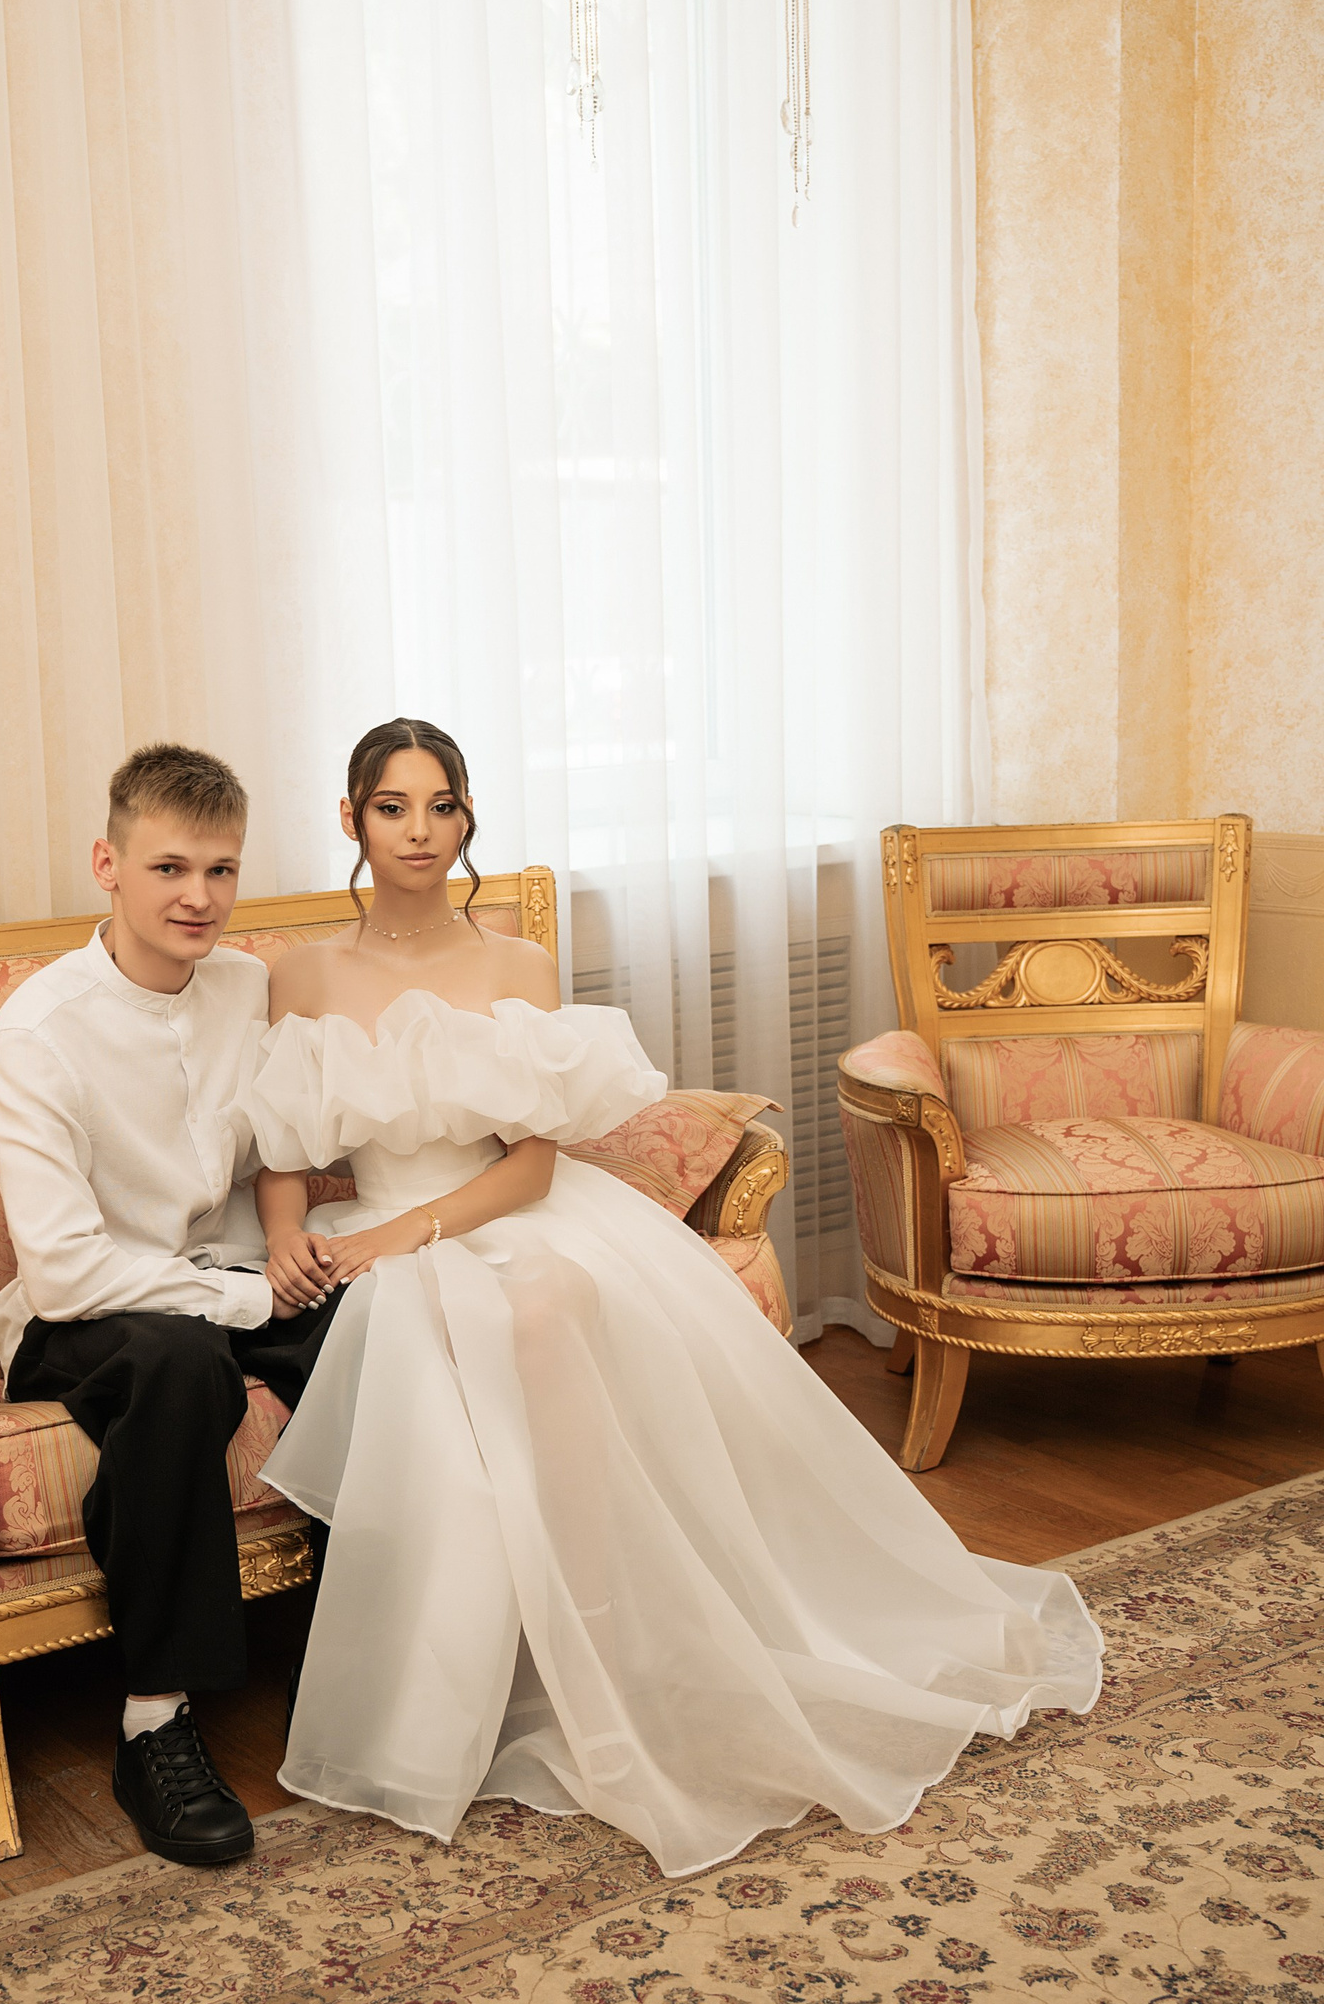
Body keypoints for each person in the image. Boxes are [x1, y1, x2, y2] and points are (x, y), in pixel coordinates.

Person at [235, 717, 1102, 1878]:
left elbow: (531, 1169)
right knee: (462, 1335)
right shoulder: (298, 975)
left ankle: (604, 1659)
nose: (420, 831)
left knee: (542, 1303)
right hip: (372, 1240)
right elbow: (281, 1150)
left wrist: (403, 1234)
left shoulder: (513, 964)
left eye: (442, 805)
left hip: (491, 1216)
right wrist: (287, 1238)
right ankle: (467, 1695)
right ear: (351, 819)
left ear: (468, 816)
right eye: (393, 808)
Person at [0, 744, 347, 1870]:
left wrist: (287, 1255)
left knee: (376, 1324)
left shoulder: (246, 988)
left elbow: (283, 1146)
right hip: (84, 1318)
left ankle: (355, 1665)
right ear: (108, 864)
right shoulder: (38, 1029)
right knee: (183, 1366)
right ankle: (155, 1724)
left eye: (221, 870)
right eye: (169, 868)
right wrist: (237, 1299)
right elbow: (63, 1271)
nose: (199, 897)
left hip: (223, 1276)